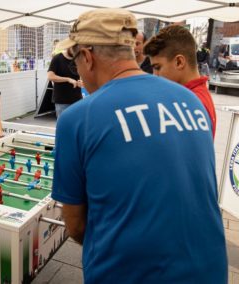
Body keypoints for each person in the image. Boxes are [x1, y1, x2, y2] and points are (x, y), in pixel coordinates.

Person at [51, 8, 227, 284]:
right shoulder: (192, 101)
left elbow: (75, 225)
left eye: (76, 63)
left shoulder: (78, 118)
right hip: (210, 269)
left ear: (87, 56)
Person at [144, 25, 216, 138]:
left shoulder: (189, 103)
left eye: (157, 67)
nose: (155, 75)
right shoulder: (197, 96)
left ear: (179, 62)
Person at [47, 47, 83, 118]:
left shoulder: (78, 59)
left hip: (77, 99)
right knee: (63, 126)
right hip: (62, 100)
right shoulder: (57, 58)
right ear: (69, 47)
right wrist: (68, 79)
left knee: (76, 125)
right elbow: (50, 76)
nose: (75, 52)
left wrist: (81, 81)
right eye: (74, 50)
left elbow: (82, 74)